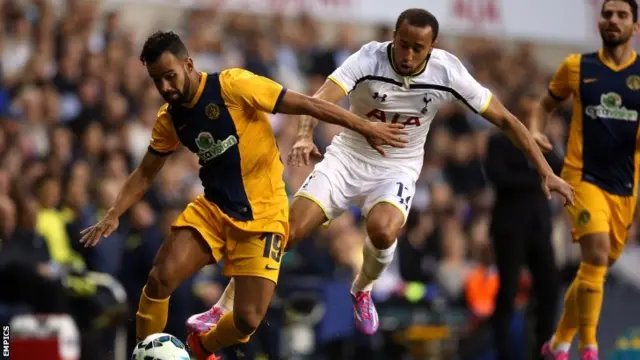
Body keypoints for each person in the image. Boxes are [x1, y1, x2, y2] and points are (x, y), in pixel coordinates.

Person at [194, 8, 575, 338]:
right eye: (402, 43)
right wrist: (305, 136)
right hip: (347, 157)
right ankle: (223, 306)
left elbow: (507, 120)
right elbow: (318, 99)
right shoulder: (368, 58)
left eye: (417, 48)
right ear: (393, 37)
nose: (407, 54)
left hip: (397, 166)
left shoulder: (449, 72)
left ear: (433, 46)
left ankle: (363, 288)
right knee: (287, 232)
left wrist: (545, 171)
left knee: (382, 229)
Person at [78, 30, 408, 360]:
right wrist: (114, 212)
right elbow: (146, 172)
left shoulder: (233, 85)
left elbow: (307, 103)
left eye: (170, 76)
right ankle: (145, 354)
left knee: (248, 320)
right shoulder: (170, 119)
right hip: (214, 210)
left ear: (189, 64)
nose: (165, 87)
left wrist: (365, 126)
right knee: (159, 279)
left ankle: (201, 347)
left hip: (264, 214)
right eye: (157, 81)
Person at [529, 1, 640, 359]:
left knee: (597, 267)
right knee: (594, 252)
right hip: (581, 176)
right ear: (600, 21)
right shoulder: (577, 67)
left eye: (622, 15)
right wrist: (535, 132)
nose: (613, 20)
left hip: (624, 185)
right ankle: (589, 346)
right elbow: (544, 105)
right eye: (608, 14)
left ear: (635, 27)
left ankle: (559, 342)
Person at [484, 129, 563, 360]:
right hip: (509, 228)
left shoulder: (543, 142)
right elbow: (498, 175)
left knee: (549, 286)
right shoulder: (500, 141)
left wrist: (549, 145)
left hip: (538, 228)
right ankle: (503, 352)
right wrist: (539, 176)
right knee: (508, 290)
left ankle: (543, 349)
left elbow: (561, 167)